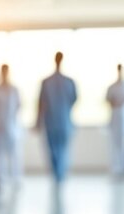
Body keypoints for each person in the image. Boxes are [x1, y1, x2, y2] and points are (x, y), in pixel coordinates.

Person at [35, 52, 78, 185]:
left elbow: (41, 104)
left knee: (56, 151)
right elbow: (73, 100)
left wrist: (38, 121)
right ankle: (59, 174)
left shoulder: (48, 82)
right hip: (61, 121)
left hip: (54, 122)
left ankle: (58, 174)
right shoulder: (68, 82)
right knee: (59, 150)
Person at [0, 64, 23, 185]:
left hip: (12, 126)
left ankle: (16, 177)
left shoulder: (14, 89)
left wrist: (13, 120)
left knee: (14, 153)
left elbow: (19, 106)